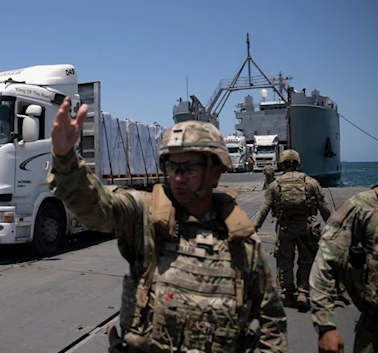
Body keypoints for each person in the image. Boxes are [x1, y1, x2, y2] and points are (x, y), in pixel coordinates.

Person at [47, 97, 287, 353]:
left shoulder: (242, 242)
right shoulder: (144, 214)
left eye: (190, 167)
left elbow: (271, 321)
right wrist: (65, 158)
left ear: (215, 173)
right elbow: (95, 206)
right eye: (173, 166)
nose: (179, 176)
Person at [253, 149, 331, 310]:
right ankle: (303, 292)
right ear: (298, 163)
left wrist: (254, 227)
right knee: (307, 260)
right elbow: (324, 207)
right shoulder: (311, 183)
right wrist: (335, 227)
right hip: (308, 227)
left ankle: (288, 293)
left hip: (285, 228)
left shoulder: (275, 185)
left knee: (284, 261)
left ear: (281, 164)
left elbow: (264, 209)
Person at [309, 185, 378, 353]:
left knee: (290, 262)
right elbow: (327, 259)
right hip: (375, 324)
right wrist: (326, 326)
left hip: (289, 228)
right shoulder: (364, 205)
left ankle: (293, 289)